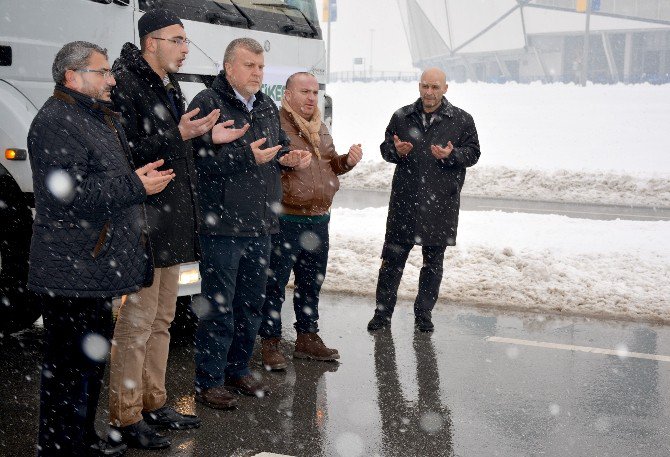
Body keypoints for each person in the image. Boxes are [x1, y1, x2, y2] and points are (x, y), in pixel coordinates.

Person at [108, 9, 245, 449]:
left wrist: (206, 138)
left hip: (169, 223)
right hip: (142, 223)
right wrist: (178, 134)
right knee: (137, 324)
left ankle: (153, 402)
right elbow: (122, 152)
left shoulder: (166, 84)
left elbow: (175, 142)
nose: (186, 49)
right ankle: (126, 417)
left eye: (185, 41)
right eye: (178, 40)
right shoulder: (125, 85)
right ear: (152, 42)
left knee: (163, 319)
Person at [28, 41, 173, 457]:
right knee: (68, 368)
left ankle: (80, 439)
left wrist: (135, 177)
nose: (111, 79)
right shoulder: (57, 120)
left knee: (88, 364)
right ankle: (59, 447)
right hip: (70, 266)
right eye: (103, 72)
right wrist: (136, 185)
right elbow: (69, 192)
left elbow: (105, 177)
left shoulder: (94, 116)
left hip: (91, 264)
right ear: (72, 77)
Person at [187, 37, 309, 408]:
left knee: (251, 305)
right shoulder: (208, 103)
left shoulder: (267, 105)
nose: (257, 73)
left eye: (260, 66)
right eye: (249, 66)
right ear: (228, 68)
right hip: (222, 225)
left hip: (261, 224)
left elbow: (278, 145)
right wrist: (244, 156)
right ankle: (209, 381)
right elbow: (195, 162)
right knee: (219, 306)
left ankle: (237, 370)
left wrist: (289, 157)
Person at [258, 72, 362, 370]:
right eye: (304, 92)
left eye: (315, 93)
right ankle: (270, 342)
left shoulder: (321, 127)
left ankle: (307, 336)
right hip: (286, 218)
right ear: (287, 95)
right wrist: (283, 161)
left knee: (311, 282)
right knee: (275, 283)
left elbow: (328, 166)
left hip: (318, 218)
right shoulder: (275, 123)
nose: (311, 98)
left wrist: (347, 162)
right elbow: (266, 164)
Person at [367, 68, 480, 333]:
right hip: (405, 202)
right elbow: (385, 149)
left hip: (441, 203)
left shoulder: (461, 120)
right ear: (419, 86)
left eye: (435, 87)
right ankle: (382, 315)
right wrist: (395, 150)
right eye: (425, 87)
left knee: (433, 264)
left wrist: (452, 155)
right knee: (392, 262)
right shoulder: (402, 116)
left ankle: (423, 315)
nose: (429, 92)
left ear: (445, 88)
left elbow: (474, 153)